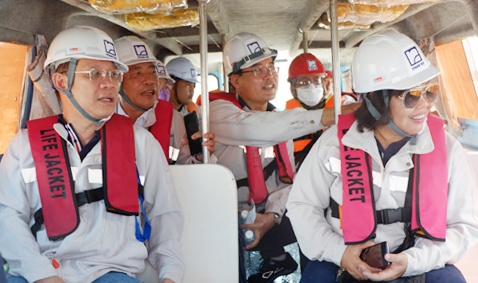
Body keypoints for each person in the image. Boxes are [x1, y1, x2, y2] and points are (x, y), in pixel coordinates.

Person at [286, 30, 478, 283]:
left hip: (418, 262)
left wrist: (412, 262)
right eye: (412, 96)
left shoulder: (448, 149)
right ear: (376, 100)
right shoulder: (333, 144)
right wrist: (340, 253)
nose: (425, 105)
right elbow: (302, 206)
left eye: (430, 91)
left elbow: (464, 227)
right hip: (343, 261)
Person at [0, 26, 183, 283]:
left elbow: (165, 217)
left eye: (113, 74)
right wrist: (41, 274)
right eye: (95, 73)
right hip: (40, 272)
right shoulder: (24, 146)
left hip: (112, 274)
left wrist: (170, 276)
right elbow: (7, 217)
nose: (109, 83)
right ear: (61, 81)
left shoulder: (141, 144)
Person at [208, 32, 359, 283]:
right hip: (226, 220)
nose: (269, 75)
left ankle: (299, 269)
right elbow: (258, 128)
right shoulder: (217, 113)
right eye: (256, 70)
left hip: (269, 217)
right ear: (234, 80)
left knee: (316, 215)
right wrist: (328, 116)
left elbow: (288, 181)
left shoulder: (283, 122)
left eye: (271, 67)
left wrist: (272, 217)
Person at [114, 36, 215, 164]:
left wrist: (201, 159)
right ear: (115, 80)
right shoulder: (99, 119)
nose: (149, 80)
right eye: (137, 74)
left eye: (152, 72)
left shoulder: (176, 121)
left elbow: (188, 169)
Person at [285, 53, 328, 170]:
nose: (312, 87)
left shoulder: (341, 109)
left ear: (324, 84)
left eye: (316, 80)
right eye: (304, 82)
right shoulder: (284, 119)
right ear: (292, 88)